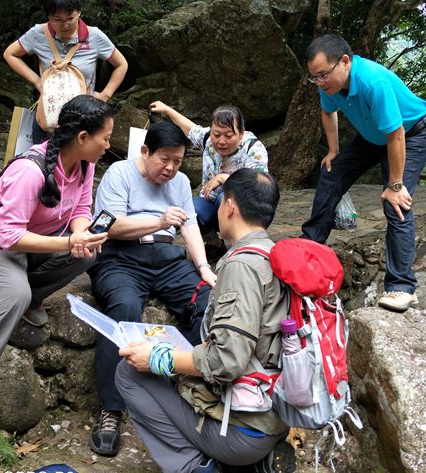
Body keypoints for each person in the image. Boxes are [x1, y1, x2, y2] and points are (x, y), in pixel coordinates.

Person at [0, 95, 115, 446]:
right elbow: (10, 236)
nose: (108, 145)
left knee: (87, 255)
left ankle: (31, 296)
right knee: (15, 295)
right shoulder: (29, 171)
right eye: (105, 138)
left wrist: (81, 235)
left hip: (32, 247)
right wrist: (68, 242)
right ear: (83, 137)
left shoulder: (84, 165)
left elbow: (82, 209)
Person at [115, 169, 295, 473]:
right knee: (178, 367)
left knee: (129, 372)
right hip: (274, 411)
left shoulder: (242, 266)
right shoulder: (274, 255)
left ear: (230, 206)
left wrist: (160, 358)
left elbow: (226, 361)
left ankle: (197, 466)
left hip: (245, 429)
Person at [88, 120, 216, 458]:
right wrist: (159, 221)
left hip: (167, 258)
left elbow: (189, 226)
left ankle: (182, 379)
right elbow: (110, 226)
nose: (171, 168)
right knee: (124, 308)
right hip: (121, 257)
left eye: (178, 161)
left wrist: (204, 268)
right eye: (165, 159)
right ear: (145, 151)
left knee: (206, 302)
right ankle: (111, 409)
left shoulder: (181, 182)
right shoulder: (119, 173)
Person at [301, 34, 426, 312]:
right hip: (374, 136)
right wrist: (333, 149)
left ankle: (401, 287)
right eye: (315, 77)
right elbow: (327, 111)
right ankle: (310, 243)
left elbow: (396, 134)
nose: (320, 82)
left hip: (409, 135)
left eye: (323, 75)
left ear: (344, 62)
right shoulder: (328, 84)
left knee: (395, 202)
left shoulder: (373, 82)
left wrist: (395, 185)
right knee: (331, 172)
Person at [4, 0, 128, 142]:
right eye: (57, 19)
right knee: (44, 157)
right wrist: (37, 81)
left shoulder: (94, 37)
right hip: (48, 115)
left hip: (84, 119)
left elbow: (121, 64)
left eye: (70, 18)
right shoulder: (38, 34)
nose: (65, 25)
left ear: (79, 12)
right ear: (48, 16)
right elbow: (10, 54)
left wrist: (105, 95)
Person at [149, 101, 268, 260]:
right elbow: (190, 129)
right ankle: (215, 245)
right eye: (216, 134)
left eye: (228, 135)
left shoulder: (253, 148)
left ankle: (241, 248)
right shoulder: (208, 139)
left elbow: (260, 186)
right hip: (211, 203)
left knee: (225, 197)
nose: (221, 141)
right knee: (192, 209)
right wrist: (166, 109)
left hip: (247, 210)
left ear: (241, 133)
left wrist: (224, 178)